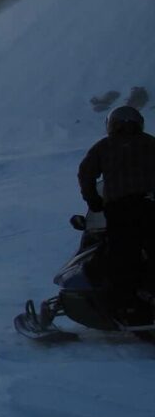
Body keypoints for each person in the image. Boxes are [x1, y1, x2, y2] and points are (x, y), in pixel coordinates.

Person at [77, 105, 155, 303]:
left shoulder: (104, 146)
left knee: (122, 257)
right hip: (150, 206)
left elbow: (86, 174)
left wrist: (93, 200)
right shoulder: (150, 143)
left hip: (120, 209)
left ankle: (128, 306)